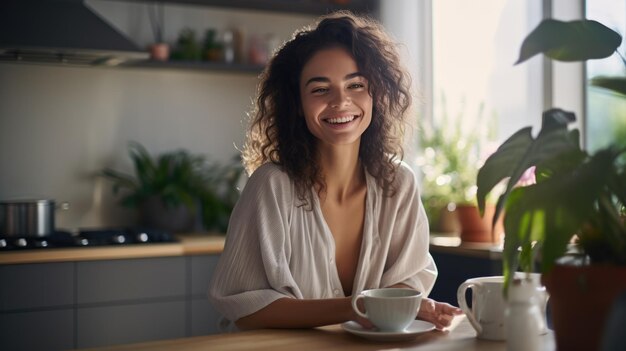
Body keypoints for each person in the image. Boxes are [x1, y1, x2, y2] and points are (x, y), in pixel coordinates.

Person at [208, 10, 462, 332]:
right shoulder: (272, 186)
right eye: (320, 89)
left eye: (355, 85)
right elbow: (245, 308)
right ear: (297, 104)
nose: (341, 102)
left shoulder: (399, 183)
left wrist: (403, 305)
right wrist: (357, 307)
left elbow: (408, 283)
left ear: (376, 94)